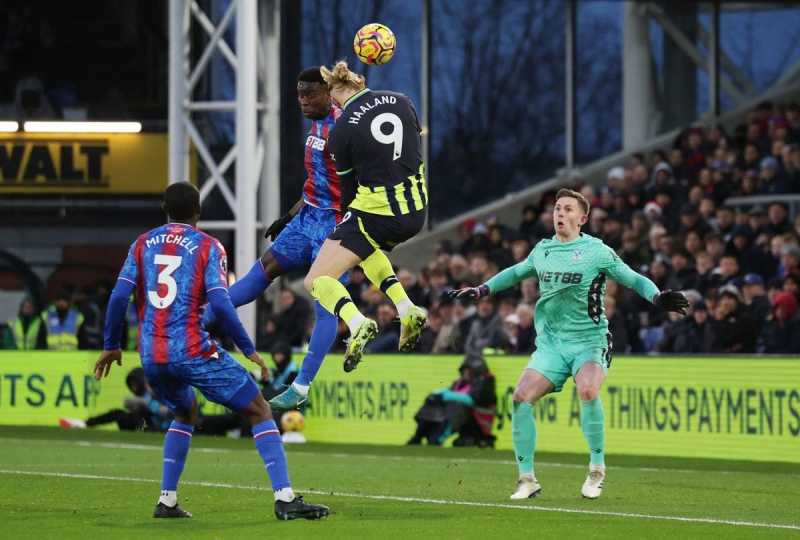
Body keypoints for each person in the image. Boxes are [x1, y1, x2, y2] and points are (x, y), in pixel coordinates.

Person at [94, 182, 328, 521]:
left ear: (165, 208)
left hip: (153, 355)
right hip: (191, 349)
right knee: (260, 409)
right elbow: (220, 301)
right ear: (198, 212)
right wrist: (247, 348)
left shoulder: (142, 243)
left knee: (185, 413)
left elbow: (118, 297)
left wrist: (111, 345)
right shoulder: (208, 246)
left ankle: (167, 501)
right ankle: (285, 497)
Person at [449, 188, 688, 501]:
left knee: (587, 389)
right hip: (551, 345)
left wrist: (656, 296)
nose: (559, 214)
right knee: (520, 398)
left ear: (583, 218)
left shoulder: (596, 251)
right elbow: (515, 272)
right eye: (557, 209)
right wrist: (483, 289)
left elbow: (632, 278)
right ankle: (526, 479)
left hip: (590, 341)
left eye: (567, 209)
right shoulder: (543, 250)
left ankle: (597, 469)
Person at [203, 67, 344, 411]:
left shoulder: (346, 128)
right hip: (307, 216)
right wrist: (290, 215)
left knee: (323, 299)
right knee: (264, 267)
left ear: (328, 93)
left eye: (310, 95)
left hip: (335, 225)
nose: (303, 102)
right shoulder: (316, 126)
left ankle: (302, 384)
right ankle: (195, 322)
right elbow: (315, 182)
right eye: (299, 95)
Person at [303, 60, 428, 372]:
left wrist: (341, 226)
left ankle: (357, 322)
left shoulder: (340, 130)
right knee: (363, 244)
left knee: (316, 280)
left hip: (379, 213)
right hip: (417, 209)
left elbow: (347, 193)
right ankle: (406, 307)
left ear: (333, 97)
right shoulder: (402, 100)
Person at [407, 353, 497, 447]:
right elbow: (450, 392)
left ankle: (438, 438)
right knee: (432, 401)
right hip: (464, 415)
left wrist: (445, 395)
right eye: (464, 371)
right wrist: (437, 394)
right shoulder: (460, 382)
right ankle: (419, 435)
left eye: (468, 371)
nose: (465, 373)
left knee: (457, 407)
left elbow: (471, 400)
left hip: (478, 419)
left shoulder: (486, 382)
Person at [59, 367, 171, 431]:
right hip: (145, 425)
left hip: (162, 428)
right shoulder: (144, 395)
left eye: (135, 384)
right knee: (118, 413)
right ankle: (85, 423)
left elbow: (167, 412)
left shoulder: (160, 391)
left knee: (139, 410)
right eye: (131, 385)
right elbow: (127, 403)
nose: (133, 388)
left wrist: (146, 404)